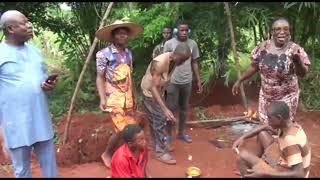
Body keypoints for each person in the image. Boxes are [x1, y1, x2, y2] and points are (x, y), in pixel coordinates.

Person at [0, 10, 57, 177]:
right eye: (24, 23)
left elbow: (39, 79)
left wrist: (46, 84)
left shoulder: (35, 52)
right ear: (10, 29)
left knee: (50, 167)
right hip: (15, 124)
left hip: (41, 118)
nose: (29, 26)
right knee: (22, 170)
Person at [232, 17, 310, 124]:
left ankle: (285, 140)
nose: (282, 32)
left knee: (282, 126)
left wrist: (298, 62)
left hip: (287, 98)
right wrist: (239, 80)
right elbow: (254, 66)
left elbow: (303, 73)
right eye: (278, 29)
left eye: (285, 29)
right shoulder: (263, 47)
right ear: (272, 32)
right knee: (266, 125)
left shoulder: (295, 50)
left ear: (289, 32)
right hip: (266, 97)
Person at [95, 19, 144, 168]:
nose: (123, 36)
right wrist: (102, 98)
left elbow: (129, 77)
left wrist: (134, 97)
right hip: (113, 98)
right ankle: (107, 154)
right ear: (113, 36)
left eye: (125, 34)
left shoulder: (128, 53)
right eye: (119, 34)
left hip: (127, 97)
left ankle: (125, 157)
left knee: (131, 129)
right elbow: (100, 77)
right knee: (123, 129)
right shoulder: (103, 54)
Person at [141, 42, 191, 165]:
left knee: (155, 119)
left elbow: (161, 84)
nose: (183, 62)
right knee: (160, 120)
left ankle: (155, 144)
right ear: (176, 54)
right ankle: (160, 152)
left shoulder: (174, 61)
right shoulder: (159, 63)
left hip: (158, 92)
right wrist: (165, 109)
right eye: (182, 59)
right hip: (149, 92)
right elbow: (153, 88)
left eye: (185, 60)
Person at [232, 101, 311, 178]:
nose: (268, 120)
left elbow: (299, 174)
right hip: (284, 160)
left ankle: (255, 172)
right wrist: (242, 138)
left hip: (290, 171)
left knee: (242, 156)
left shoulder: (290, 140)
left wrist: (265, 174)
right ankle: (254, 170)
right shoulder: (289, 125)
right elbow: (264, 126)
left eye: (269, 118)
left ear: (279, 118)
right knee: (262, 133)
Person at [163, 21, 202, 145]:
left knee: (184, 108)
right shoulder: (169, 44)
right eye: (181, 30)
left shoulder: (193, 44)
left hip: (187, 81)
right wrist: (164, 81)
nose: (184, 32)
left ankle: (180, 133)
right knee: (171, 108)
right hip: (172, 82)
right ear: (176, 31)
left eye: (186, 30)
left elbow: (194, 62)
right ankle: (168, 135)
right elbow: (164, 63)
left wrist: (199, 80)